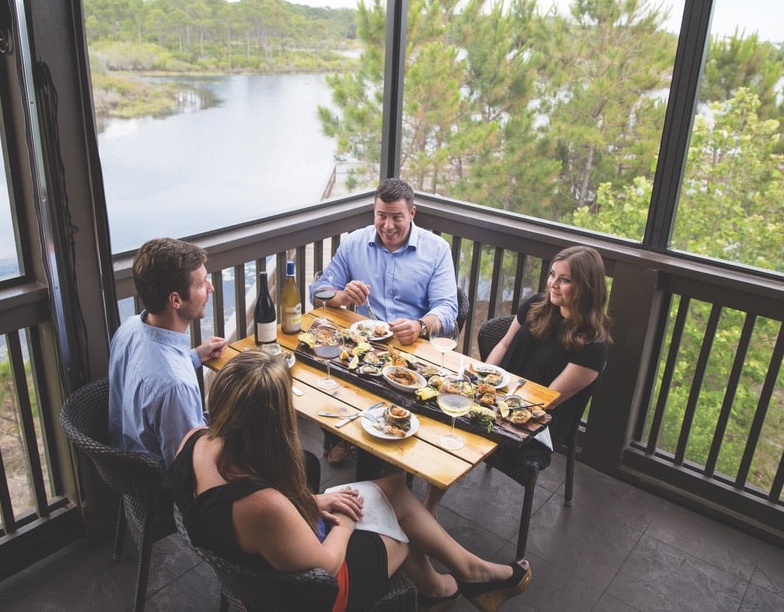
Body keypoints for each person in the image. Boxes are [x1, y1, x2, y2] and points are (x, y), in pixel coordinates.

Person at [171, 350, 531, 612]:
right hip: (311, 596)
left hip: (257, 556)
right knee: (399, 531)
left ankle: (459, 578)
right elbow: (326, 566)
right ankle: (453, 582)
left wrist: (313, 500)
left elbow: (246, 508)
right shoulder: (264, 506)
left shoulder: (194, 440)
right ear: (273, 421)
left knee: (391, 487)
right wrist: (345, 522)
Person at [424, 245, 612, 516]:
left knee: (456, 423)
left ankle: (427, 509)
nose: (553, 284)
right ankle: (415, 497)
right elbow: (503, 344)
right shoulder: (538, 304)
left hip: (535, 421)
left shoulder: (593, 344)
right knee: (439, 404)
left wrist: (490, 404)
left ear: (587, 286)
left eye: (565, 279)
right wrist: (479, 382)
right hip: (498, 396)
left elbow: (548, 400)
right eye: (552, 275)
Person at [311, 178, 458, 466]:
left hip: (412, 350)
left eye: (396, 217)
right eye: (381, 216)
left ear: (412, 214)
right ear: (374, 212)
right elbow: (318, 291)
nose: (388, 226)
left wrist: (421, 326)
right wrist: (340, 296)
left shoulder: (436, 249)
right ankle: (341, 436)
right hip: (361, 346)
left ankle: (384, 458)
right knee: (318, 375)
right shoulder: (355, 243)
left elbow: (448, 308)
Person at [108, 237, 228, 472]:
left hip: (128, 458)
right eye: (202, 284)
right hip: (163, 484)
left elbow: (150, 374)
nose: (211, 288)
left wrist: (193, 356)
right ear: (175, 300)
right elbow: (189, 470)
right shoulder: (175, 387)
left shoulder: (129, 329)